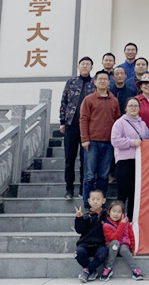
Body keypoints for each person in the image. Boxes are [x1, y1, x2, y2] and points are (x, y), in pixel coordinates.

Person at [79, 71, 121, 208]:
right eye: (100, 79)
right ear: (95, 82)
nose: (103, 81)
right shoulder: (89, 99)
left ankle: (101, 205)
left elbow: (118, 121)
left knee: (104, 176)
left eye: (105, 79)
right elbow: (83, 119)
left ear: (109, 82)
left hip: (109, 143)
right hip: (92, 142)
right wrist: (85, 139)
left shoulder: (114, 100)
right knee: (90, 175)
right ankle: (87, 204)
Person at [59, 56, 95, 200]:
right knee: (70, 159)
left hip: (88, 126)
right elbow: (64, 102)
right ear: (78, 67)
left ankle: (82, 189)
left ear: (92, 67)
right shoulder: (71, 82)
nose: (85, 66)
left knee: (85, 160)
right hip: (71, 124)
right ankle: (69, 189)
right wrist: (62, 121)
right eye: (83, 64)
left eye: (88, 64)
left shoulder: (94, 83)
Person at [110, 97, 149, 222]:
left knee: (134, 193)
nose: (133, 108)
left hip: (138, 162)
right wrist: (132, 142)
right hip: (124, 161)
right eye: (131, 106)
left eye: (136, 106)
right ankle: (118, 220)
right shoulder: (120, 123)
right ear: (126, 108)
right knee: (122, 193)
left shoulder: (143, 124)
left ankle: (131, 220)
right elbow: (115, 141)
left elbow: (147, 140)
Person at [101, 200, 143, 281]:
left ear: (122, 214)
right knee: (115, 243)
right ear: (109, 212)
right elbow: (115, 238)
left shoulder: (125, 222)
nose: (116, 214)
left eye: (119, 212)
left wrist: (132, 249)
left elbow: (131, 235)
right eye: (114, 211)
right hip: (112, 246)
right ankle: (108, 268)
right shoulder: (106, 225)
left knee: (124, 248)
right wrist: (121, 225)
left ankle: (135, 270)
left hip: (123, 245)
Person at [74, 189, 108, 282]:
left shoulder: (107, 215)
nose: (95, 201)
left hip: (100, 245)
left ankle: (87, 270)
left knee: (103, 253)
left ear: (103, 201)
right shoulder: (85, 215)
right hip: (85, 244)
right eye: (93, 199)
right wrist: (79, 218)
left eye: (98, 199)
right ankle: (92, 271)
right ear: (89, 201)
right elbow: (79, 230)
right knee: (79, 253)